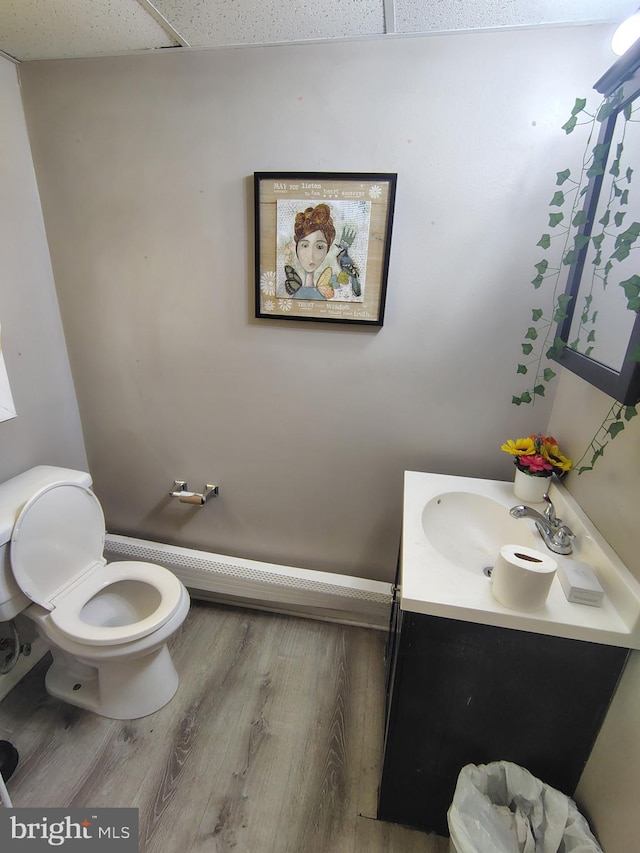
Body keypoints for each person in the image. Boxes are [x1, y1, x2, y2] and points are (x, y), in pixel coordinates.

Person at [284, 203, 336, 299]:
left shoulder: (321, 294)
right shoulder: (295, 295)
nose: (311, 255)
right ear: (297, 248)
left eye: (319, 247)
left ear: (327, 250)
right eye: (305, 245)